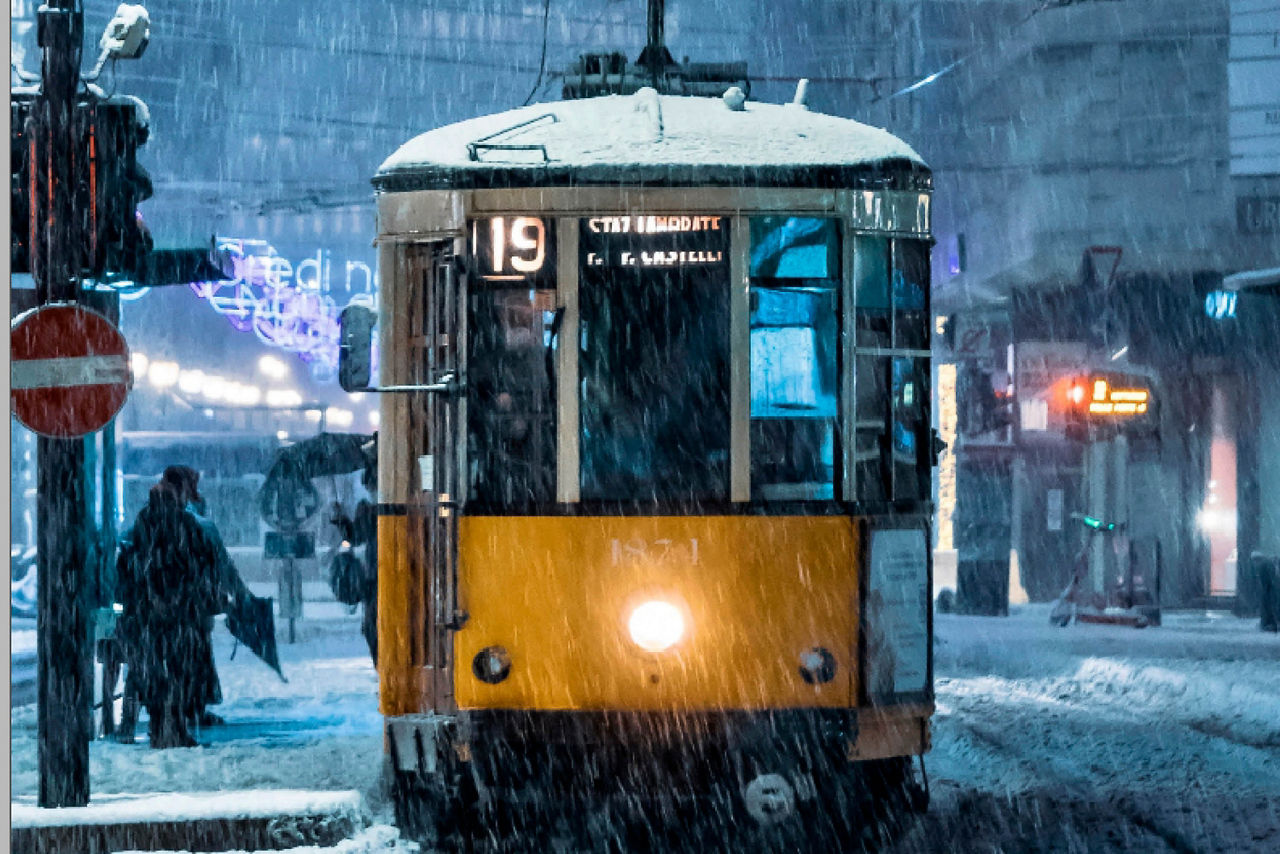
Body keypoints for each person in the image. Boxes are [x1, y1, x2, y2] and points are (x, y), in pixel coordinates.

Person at [116, 479, 221, 748]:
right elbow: (202, 570)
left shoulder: (140, 531)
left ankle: (152, 727)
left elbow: (128, 577)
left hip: (149, 616)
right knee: (175, 673)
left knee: (148, 676)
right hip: (172, 616)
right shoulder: (186, 530)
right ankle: (170, 728)